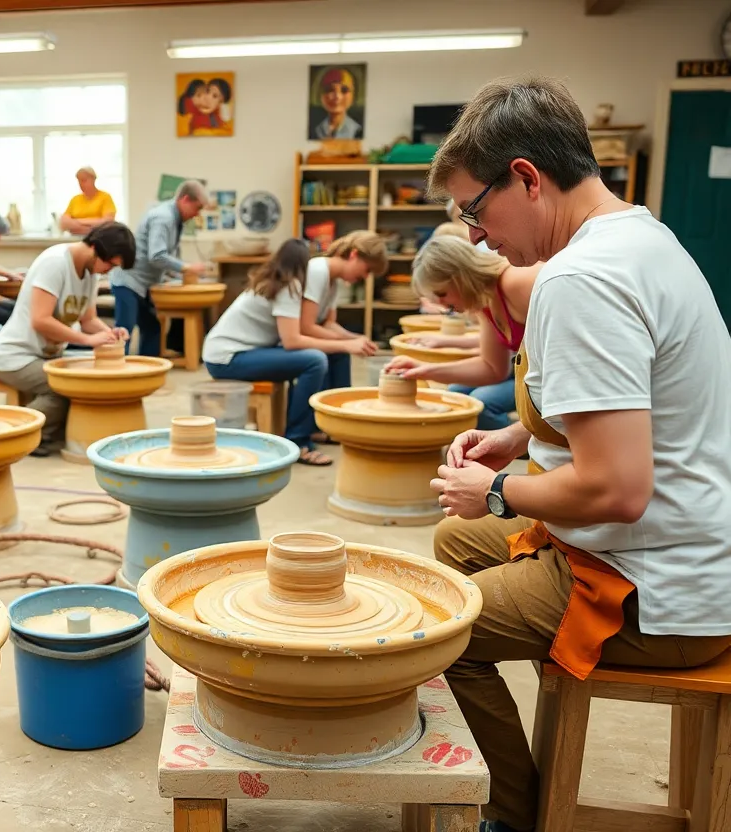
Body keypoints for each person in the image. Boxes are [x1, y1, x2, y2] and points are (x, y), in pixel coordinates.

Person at [426, 75, 731, 832]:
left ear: (526, 177)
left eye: (475, 209)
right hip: (683, 548)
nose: (476, 236)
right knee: (451, 542)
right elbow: (624, 400)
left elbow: (617, 489)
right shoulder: (640, 236)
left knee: (432, 632)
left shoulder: (578, 280)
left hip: (656, 589)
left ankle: (518, 813)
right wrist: (514, 437)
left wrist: (496, 493)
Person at [202, 239, 383, 466]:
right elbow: (292, 341)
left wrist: (350, 341)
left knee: (329, 354)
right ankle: (298, 441)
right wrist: (346, 344)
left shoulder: (283, 282)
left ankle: (323, 425)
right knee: (314, 360)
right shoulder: (289, 287)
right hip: (227, 358)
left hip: (244, 351)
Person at [0, 223, 136, 457]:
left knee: (86, 383)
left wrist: (110, 332)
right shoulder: (55, 262)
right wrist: (88, 340)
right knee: (63, 389)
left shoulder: (91, 273)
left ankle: (45, 434)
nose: (108, 271)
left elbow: (88, 320)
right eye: (110, 264)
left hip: (46, 356)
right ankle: (11, 436)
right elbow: (41, 320)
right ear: (95, 248)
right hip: (15, 356)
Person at [385, 235, 538, 432]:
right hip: (533, 374)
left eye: (441, 294)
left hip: (563, 377)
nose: (441, 305)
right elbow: (492, 369)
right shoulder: (487, 301)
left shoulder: (517, 282)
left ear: (461, 277)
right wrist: (424, 369)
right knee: (455, 393)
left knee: (480, 403)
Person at [110, 180, 211, 357]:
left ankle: (147, 370)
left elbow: (165, 258)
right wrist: (187, 268)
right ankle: (115, 374)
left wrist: (181, 274)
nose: (197, 214)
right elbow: (157, 256)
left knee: (152, 329)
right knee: (123, 332)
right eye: (197, 208)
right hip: (129, 281)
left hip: (144, 284)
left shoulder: (176, 219)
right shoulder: (163, 217)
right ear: (185, 199)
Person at [297, 231, 384, 389]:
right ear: (354, 255)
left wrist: (356, 338)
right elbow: (306, 327)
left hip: (301, 339)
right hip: (287, 341)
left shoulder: (334, 281)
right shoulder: (318, 270)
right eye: (368, 269)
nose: (366, 276)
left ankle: (339, 406)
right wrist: (347, 342)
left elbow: (328, 324)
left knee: (340, 352)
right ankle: (322, 409)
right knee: (327, 355)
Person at [58, 167, 117, 235]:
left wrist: (76, 222)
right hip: (76, 239)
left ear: (93, 179)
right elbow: (63, 223)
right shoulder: (75, 199)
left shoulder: (105, 197)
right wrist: (91, 226)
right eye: (79, 181)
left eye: (83, 180)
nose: (80, 184)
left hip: (99, 238)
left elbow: (108, 221)